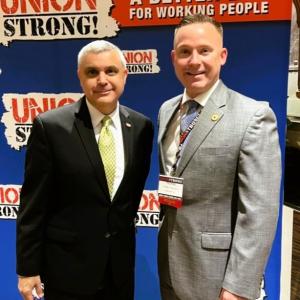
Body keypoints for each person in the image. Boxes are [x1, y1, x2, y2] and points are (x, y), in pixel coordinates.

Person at [16, 40, 154, 300]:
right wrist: (27, 270)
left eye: (111, 71)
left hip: (120, 270)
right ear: (80, 77)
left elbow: (129, 199)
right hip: (67, 270)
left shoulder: (141, 127)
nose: (102, 80)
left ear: (124, 75)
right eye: (92, 72)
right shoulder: (51, 127)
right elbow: (33, 206)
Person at [157, 14, 281, 300]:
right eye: (185, 52)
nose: (194, 61)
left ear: (222, 55)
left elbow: (259, 212)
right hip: (170, 269)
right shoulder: (167, 111)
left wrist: (238, 288)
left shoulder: (253, 116)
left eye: (205, 50)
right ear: (174, 58)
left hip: (218, 278)